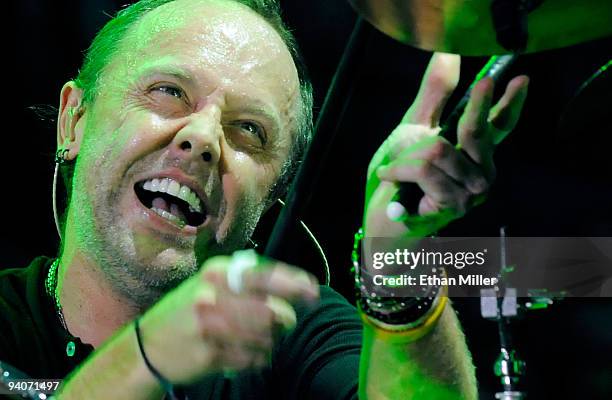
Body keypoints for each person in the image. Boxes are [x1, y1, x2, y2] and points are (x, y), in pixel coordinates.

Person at [0, 0, 528, 398]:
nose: (204, 138)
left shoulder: (298, 333)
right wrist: (148, 356)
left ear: (268, 201)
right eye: (168, 91)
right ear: (73, 120)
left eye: (249, 130)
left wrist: (398, 264)